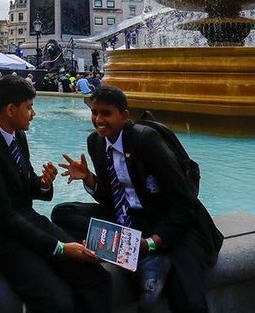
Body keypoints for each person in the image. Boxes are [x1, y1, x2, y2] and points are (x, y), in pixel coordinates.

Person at [54, 86, 223, 313]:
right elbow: (111, 198)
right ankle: (146, 260)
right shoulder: (95, 142)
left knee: (189, 299)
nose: (98, 119)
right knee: (63, 214)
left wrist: (152, 242)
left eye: (106, 113)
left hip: (171, 221)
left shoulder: (146, 140)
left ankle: (146, 255)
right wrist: (89, 179)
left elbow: (185, 202)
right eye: (94, 112)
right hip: (131, 220)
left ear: (124, 116)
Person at [0, 76, 110, 313]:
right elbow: (3, 217)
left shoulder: (17, 134)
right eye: (29, 107)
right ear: (11, 110)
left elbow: (27, 184)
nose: (33, 114)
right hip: (3, 241)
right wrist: (60, 247)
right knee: (55, 301)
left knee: (96, 276)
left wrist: (42, 183)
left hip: (27, 222)